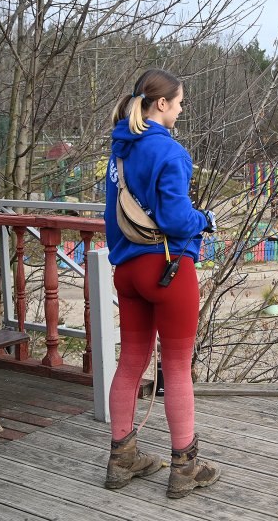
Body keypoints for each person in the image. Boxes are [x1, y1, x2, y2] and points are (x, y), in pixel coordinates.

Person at [102, 68, 221, 499]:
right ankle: (184, 469)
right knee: (175, 368)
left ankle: (121, 459)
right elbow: (174, 219)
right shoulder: (170, 154)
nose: (182, 109)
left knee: (131, 361)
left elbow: (111, 217)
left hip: (127, 270)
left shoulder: (120, 152)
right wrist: (203, 221)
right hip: (168, 270)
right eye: (180, 102)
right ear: (161, 104)